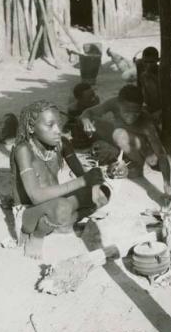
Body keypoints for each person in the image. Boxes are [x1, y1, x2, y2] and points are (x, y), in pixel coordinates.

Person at [10, 100, 110, 259]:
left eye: (59, 124)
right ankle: (37, 235)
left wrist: (95, 184)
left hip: (56, 203)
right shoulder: (23, 150)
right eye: (50, 125)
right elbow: (35, 197)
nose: (57, 130)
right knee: (62, 207)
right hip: (30, 211)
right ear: (31, 127)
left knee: (103, 193)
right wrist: (83, 182)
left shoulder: (61, 144)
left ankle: (61, 224)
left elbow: (81, 174)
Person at [79, 84, 171, 201]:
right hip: (125, 138)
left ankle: (138, 166)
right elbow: (88, 112)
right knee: (94, 123)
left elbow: (161, 154)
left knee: (119, 135)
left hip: (144, 149)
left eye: (136, 112)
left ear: (141, 108)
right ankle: (123, 157)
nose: (131, 116)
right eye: (126, 111)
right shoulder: (114, 102)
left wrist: (167, 183)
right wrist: (85, 120)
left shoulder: (146, 123)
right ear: (119, 104)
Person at [134, 46, 171, 120]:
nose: (148, 65)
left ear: (158, 60)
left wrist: (161, 112)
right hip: (150, 107)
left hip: (163, 108)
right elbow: (139, 90)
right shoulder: (141, 69)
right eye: (146, 62)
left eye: (152, 62)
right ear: (142, 60)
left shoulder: (162, 73)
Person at [64, 82, 100, 149]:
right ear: (79, 99)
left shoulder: (96, 101)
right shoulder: (73, 109)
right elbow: (69, 125)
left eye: (93, 95)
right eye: (89, 97)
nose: (93, 99)